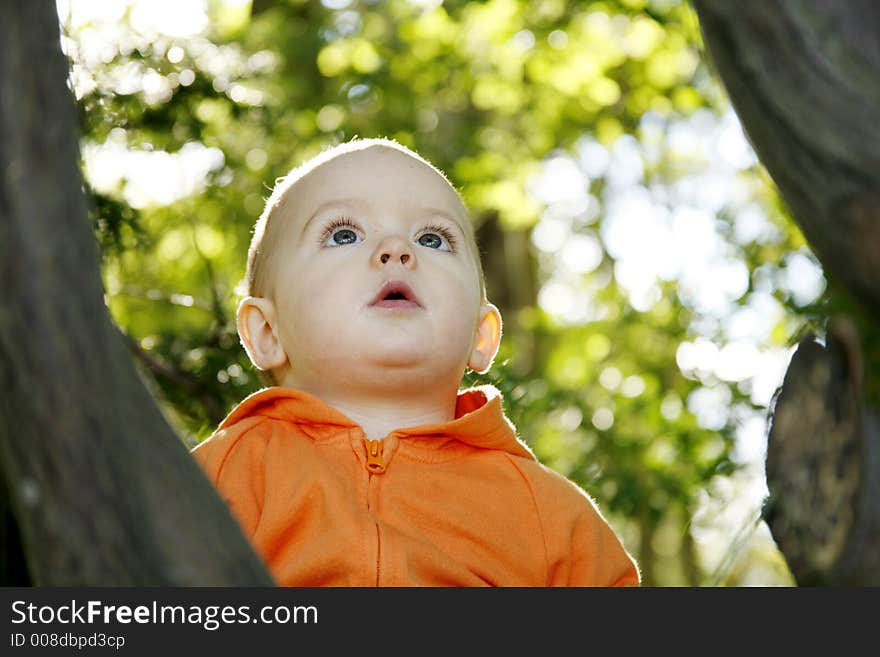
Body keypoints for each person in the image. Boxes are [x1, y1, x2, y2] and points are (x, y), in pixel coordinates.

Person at [191, 136, 640, 587]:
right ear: (268, 332)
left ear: (480, 336)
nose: (396, 249)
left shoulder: (552, 518)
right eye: (344, 234)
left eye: (432, 239)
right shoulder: (224, 476)